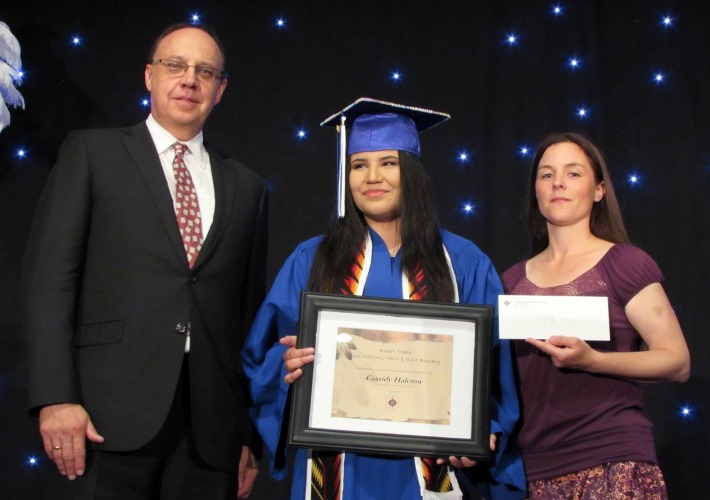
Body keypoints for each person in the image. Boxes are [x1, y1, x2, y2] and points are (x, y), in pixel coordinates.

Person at [21, 22, 268, 499]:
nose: (189, 79)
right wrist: (55, 398)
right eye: (175, 65)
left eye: (205, 71)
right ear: (150, 76)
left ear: (220, 90)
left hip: (211, 435)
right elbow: (50, 282)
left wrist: (247, 433)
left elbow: (249, 319)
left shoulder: (248, 187)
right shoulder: (92, 154)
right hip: (103, 419)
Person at [242, 97, 526, 499]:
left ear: (411, 172)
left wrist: (484, 432)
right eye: (359, 165)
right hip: (338, 468)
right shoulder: (312, 259)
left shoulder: (462, 262)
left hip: (429, 471)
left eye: (388, 163)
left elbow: (495, 369)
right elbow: (261, 358)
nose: (372, 177)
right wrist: (285, 368)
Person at [501, 132, 690, 499]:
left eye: (573, 173)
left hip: (612, 459)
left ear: (599, 190)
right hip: (535, 470)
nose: (558, 183)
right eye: (546, 174)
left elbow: (676, 361)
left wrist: (593, 360)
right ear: (535, 191)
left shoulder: (625, 264)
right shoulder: (509, 281)